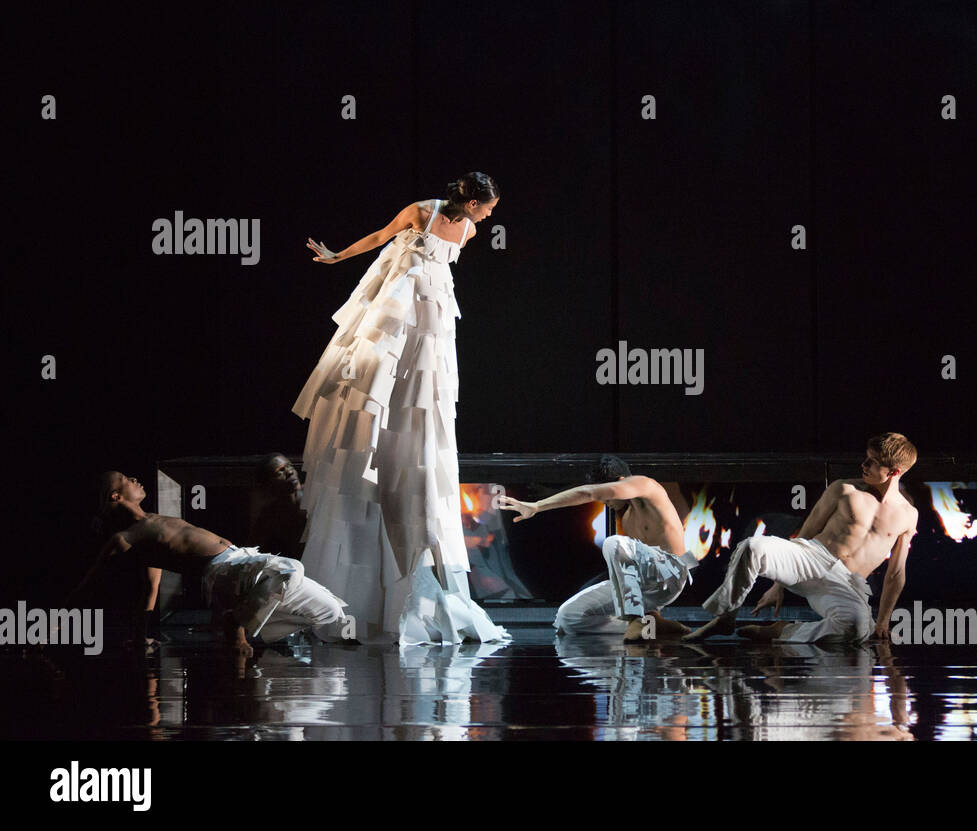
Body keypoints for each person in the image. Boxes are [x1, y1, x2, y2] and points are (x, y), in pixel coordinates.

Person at [293, 173, 508, 645]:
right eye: (488, 206)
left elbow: (441, 270)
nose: (491, 215)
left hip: (431, 313)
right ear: (472, 202)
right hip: (400, 299)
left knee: (423, 390)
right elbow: (378, 238)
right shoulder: (421, 210)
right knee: (377, 364)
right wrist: (336, 256)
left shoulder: (468, 231)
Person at [77, 472, 349, 656]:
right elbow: (90, 583)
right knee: (291, 570)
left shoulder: (153, 521)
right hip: (222, 573)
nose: (134, 479)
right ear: (115, 496)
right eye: (125, 479)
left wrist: (140, 637)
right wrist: (56, 628)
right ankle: (236, 624)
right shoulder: (128, 537)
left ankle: (254, 628)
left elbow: (152, 587)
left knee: (333, 611)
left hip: (244, 559)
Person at [685, 432, 920, 644]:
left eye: (873, 462)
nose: (864, 464)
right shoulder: (844, 489)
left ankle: (781, 631)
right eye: (866, 458)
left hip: (845, 581)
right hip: (810, 557)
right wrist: (779, 586)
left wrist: (883, 621)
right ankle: (726, 618)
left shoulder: (908, 516)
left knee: (856, 630)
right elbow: (806, 531)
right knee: (752, 546)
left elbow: (896, 573)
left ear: (894, 472)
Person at [499, 455, 697, 641]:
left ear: (619, 482)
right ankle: (651, 626)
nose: (605, 503)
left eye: (607, 497)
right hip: (651, 585)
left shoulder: (645, 484)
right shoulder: (628, 518)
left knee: (614, 542)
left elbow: (588, 492)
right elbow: (635, 577)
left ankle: (635, 619)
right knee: (568, 617)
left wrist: (536, 506)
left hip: (672, 571)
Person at [249, 453, 307, 560]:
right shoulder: (270, 516)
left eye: (290, 466)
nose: (290, 472)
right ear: (268, 483)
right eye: (280, 471)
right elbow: (254, 550)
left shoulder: (315, 496)